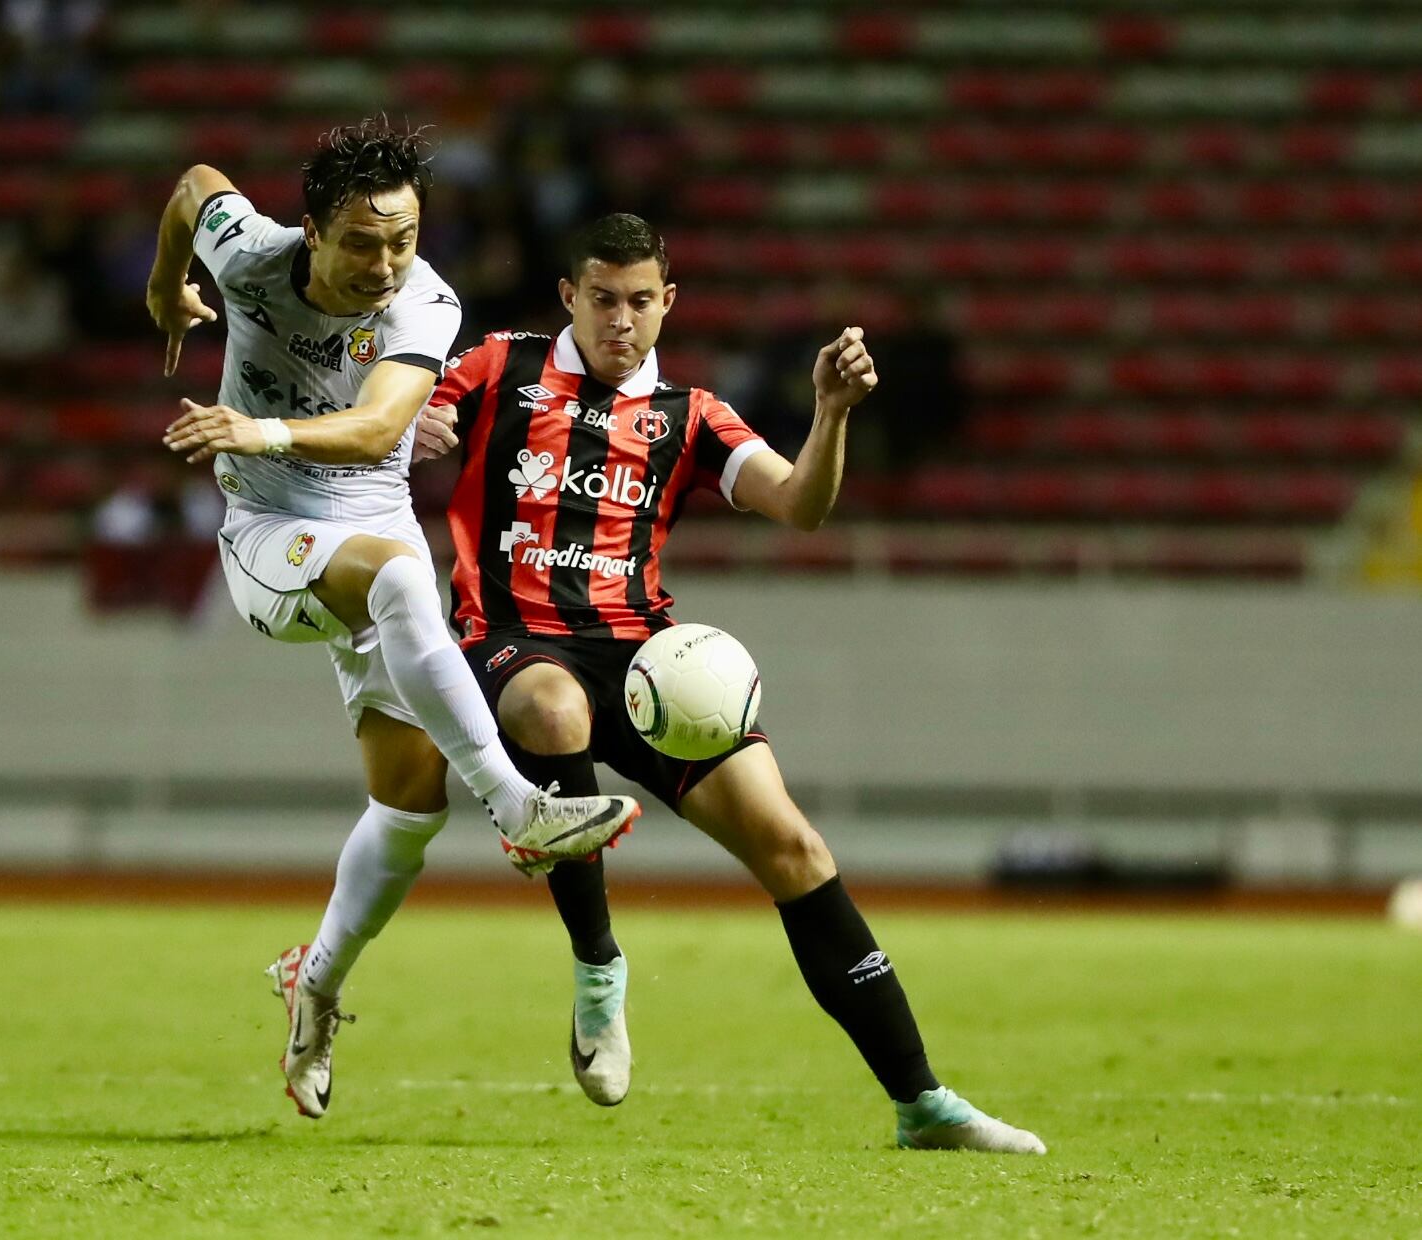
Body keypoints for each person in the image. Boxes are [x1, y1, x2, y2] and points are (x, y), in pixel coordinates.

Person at [295, 212, 1046, 1154]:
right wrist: (414, 424)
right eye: (602, 299)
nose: (621, 319)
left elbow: (800, 506)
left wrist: (830, 413)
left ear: (668, 303)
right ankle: (598, 971)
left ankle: (921, 1102)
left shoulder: (690, 415)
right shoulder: (495, 367)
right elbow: (381, 411)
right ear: (568, 296)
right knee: (552, 710)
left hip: (648, 666)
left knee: (795, 848)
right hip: (512, 642)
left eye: (640, 301)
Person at [145, 120, 641, 1120]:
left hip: (372, 525)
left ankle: (315, 985)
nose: (384, 265)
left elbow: (379, 430)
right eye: (362, 243)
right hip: (270, 534)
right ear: (311, 233)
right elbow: (195, 183)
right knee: (407, 584)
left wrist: (257, 425)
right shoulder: (251, 256)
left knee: (411, 808)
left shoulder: (426, 299)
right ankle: (518, 804)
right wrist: (165, 288)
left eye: (403, 240)